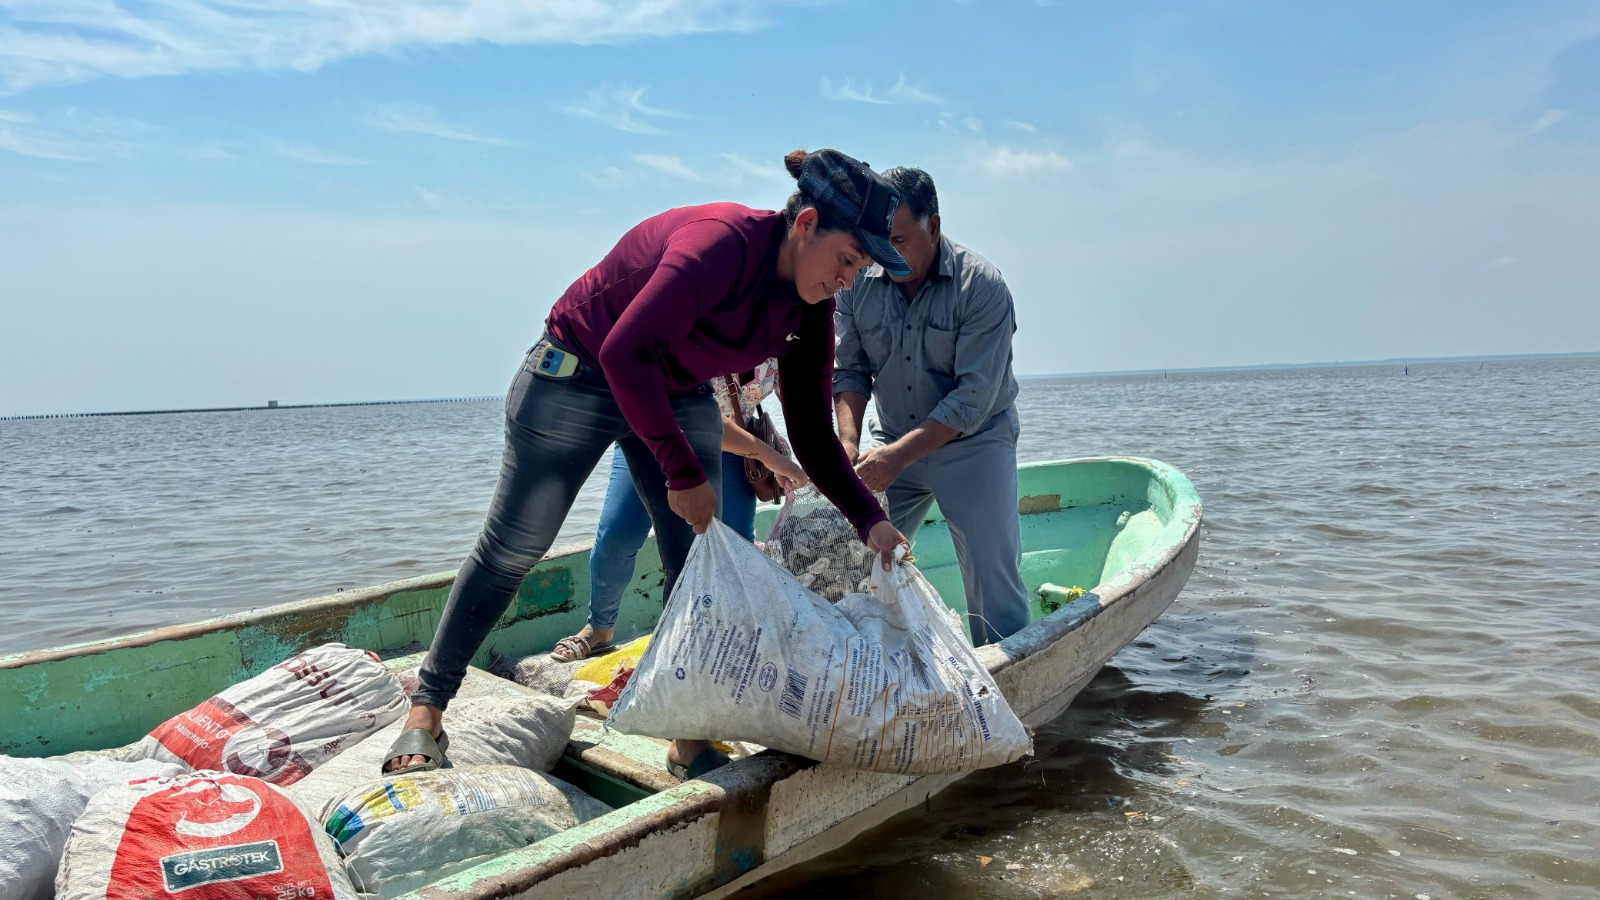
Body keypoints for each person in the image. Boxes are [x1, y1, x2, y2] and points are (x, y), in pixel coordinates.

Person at [384, 148, 912, 782]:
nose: (849, 280)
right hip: (576, 371)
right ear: (805, 227)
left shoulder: (810, 310)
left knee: (695, 561)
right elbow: (624, 351)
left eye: (860, 269)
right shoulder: (718, 245)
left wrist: (866, 517)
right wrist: (682, 472)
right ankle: (427, 707)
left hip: (674, 385)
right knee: (514, 547)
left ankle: (686, 734)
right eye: (849, 260)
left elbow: (809, 430)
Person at [832, 165, 1028, 646]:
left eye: (899, 240)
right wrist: (849, 443)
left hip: (974, 443)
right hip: (891, 437)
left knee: (991, 574)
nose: (885, 254)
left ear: (933, 227)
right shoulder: (858, 280)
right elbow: (849, 370)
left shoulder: (982, 287)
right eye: (878, 241)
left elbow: (971, 401)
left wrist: (896, 457)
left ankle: (1012, 685)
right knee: (845, 550)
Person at [551, 360, 806, 662]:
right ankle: (599, 628)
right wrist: (773, 457)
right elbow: (702, 416)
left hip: (736, 449)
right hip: (651, 438)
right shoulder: (695, 323)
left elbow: (804, 413)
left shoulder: (783, 342)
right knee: (619, 534)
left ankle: (716, 634)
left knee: (735, 546)